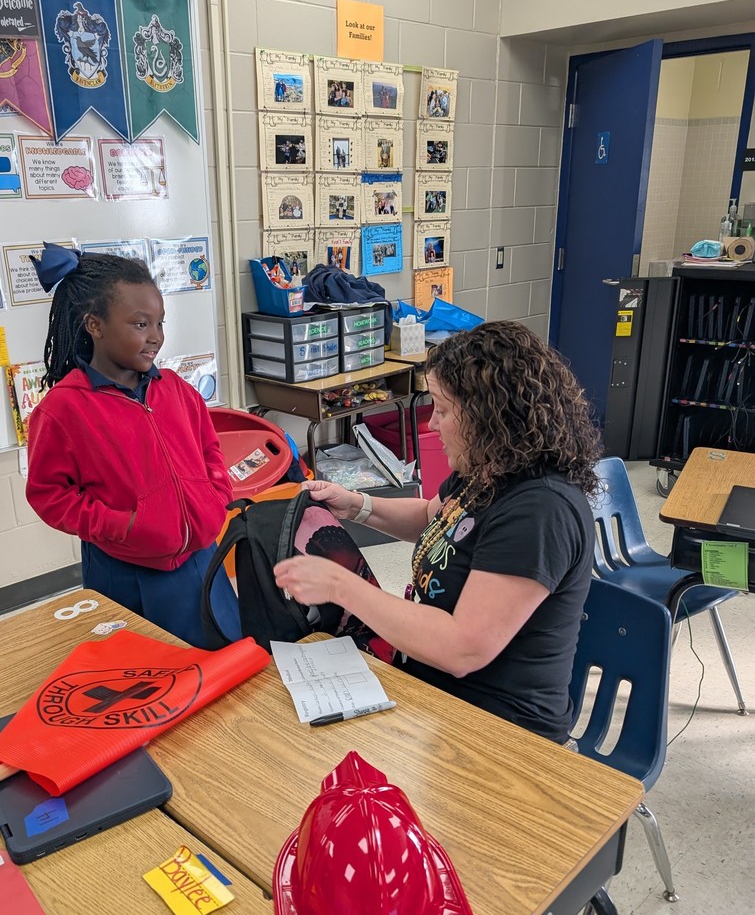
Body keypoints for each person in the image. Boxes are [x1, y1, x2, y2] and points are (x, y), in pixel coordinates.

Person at [274, 320, 601, 744]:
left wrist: (341, 585)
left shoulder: (541, 510)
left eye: (443, 410)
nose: (431, 425)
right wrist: (356, 504)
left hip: (502, 733)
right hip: (439, 696)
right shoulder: (488, 469)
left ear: (491, 415)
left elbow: (461, 648)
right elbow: (433, 517)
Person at [24, 243, 241, 648]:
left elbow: (210, 448)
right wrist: (121, 526)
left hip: (200, 561)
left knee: (221, 658)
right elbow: (49, 495)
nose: (156, 337)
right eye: (141, 325)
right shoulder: (63, 410)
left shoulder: (176, 389)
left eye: (160, 323)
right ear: (95, 324)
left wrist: (214, 494)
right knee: (148, 680)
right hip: (126, 570)